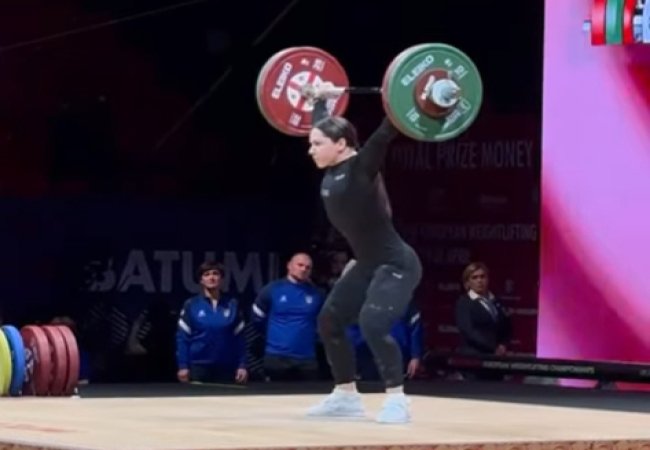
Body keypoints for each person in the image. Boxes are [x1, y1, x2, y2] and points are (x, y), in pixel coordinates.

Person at [303, 84, 423, 424]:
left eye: (316, 144)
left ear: (341, 145)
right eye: (311, 143)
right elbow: (323, 125)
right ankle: (345, 396)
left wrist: (409, 96)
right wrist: (319, 99)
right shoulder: (332, 168)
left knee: (372, 324)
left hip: (396, 263)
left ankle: (397, 399)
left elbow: (386, 132)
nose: (311, 150)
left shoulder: (360, 168)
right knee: (329, 321)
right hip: (367, 263)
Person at [251, 252, 324, 381]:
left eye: (308, 267)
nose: (303, 269)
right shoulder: (272, 289)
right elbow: (257, 318)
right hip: (277, 357)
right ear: (289, 266)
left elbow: (324, 322)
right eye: (300, 265)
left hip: (307, 359)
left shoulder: (317, 294)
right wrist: (274, 336)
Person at [176, 260, 248, 384]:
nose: (211, 277)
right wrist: (183, 366)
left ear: (221, 279)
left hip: (226, 366)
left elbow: (240, 339)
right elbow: (182, 338)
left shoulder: (232, 304)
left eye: (215, 274)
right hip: (198, 366)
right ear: (201, 280)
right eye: (207, 274)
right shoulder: (191, 305)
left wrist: (242, 365)